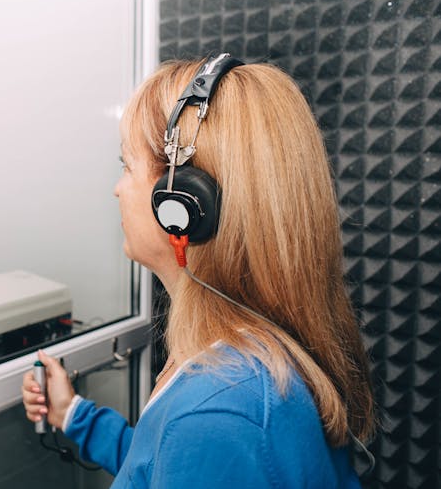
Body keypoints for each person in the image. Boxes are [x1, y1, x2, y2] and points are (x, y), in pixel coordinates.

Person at [22, 55, 376, 487]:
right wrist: (75, 415)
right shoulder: (237, 361)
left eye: (126, 166)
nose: (117, 188)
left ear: (183, 202)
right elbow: (166, 463)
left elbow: (196, 444)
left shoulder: (219, 414)